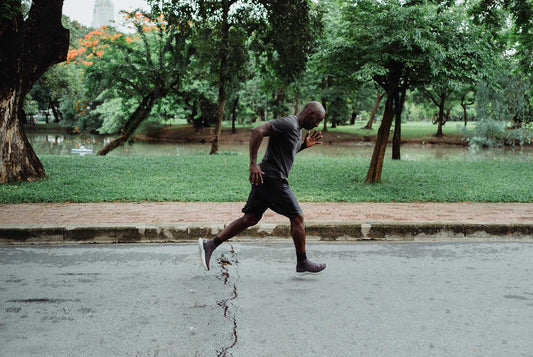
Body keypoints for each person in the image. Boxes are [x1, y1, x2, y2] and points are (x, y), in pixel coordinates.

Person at [199, 101, 327, 273]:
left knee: (250, 218)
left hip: (266, 178)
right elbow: (257, 131)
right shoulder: (289, 123)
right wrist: (252, 163)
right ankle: (302, 261)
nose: (318, 124)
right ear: (310, 113)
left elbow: (285, 152)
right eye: (318, 119)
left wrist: (303, 145)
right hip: (272, 179)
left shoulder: (296, 130)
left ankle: (210, 244)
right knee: (298, 218)